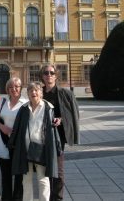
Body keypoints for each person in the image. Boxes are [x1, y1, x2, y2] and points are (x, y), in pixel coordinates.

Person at [8, 81, 59, 201]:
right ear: (28, 94)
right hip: (25, 149)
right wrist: (12, 143)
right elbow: (17, 126)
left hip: (41, 149)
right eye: (31, 91)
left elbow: (52, 129)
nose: (33, 92)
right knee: (26, 180)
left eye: (36, 90)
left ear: (41, 93)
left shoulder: (48, 108)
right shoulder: (24, 108)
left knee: (43, 179)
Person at [40, 64, 80, 201]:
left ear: (56, 75)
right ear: (42, 76)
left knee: (58, 169)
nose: (49, 75)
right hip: (41, 137)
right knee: (44, 169)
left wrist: (61, 120)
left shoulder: (65, 93)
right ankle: (46, 195)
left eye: (52, 72)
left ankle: (57, 198)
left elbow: (73, 114)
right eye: (46, 73)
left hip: (58, 137)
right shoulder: (39, 93)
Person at [0, 77, 26, 201]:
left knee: (18, 177)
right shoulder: (3, 101)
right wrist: (1, 126)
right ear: (7, 89)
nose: (14, 89)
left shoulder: (25, 103)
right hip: (3, 143)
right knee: (5, 176)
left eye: (17, 86)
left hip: (19, 145)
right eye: (11, 87)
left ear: (21, 88)